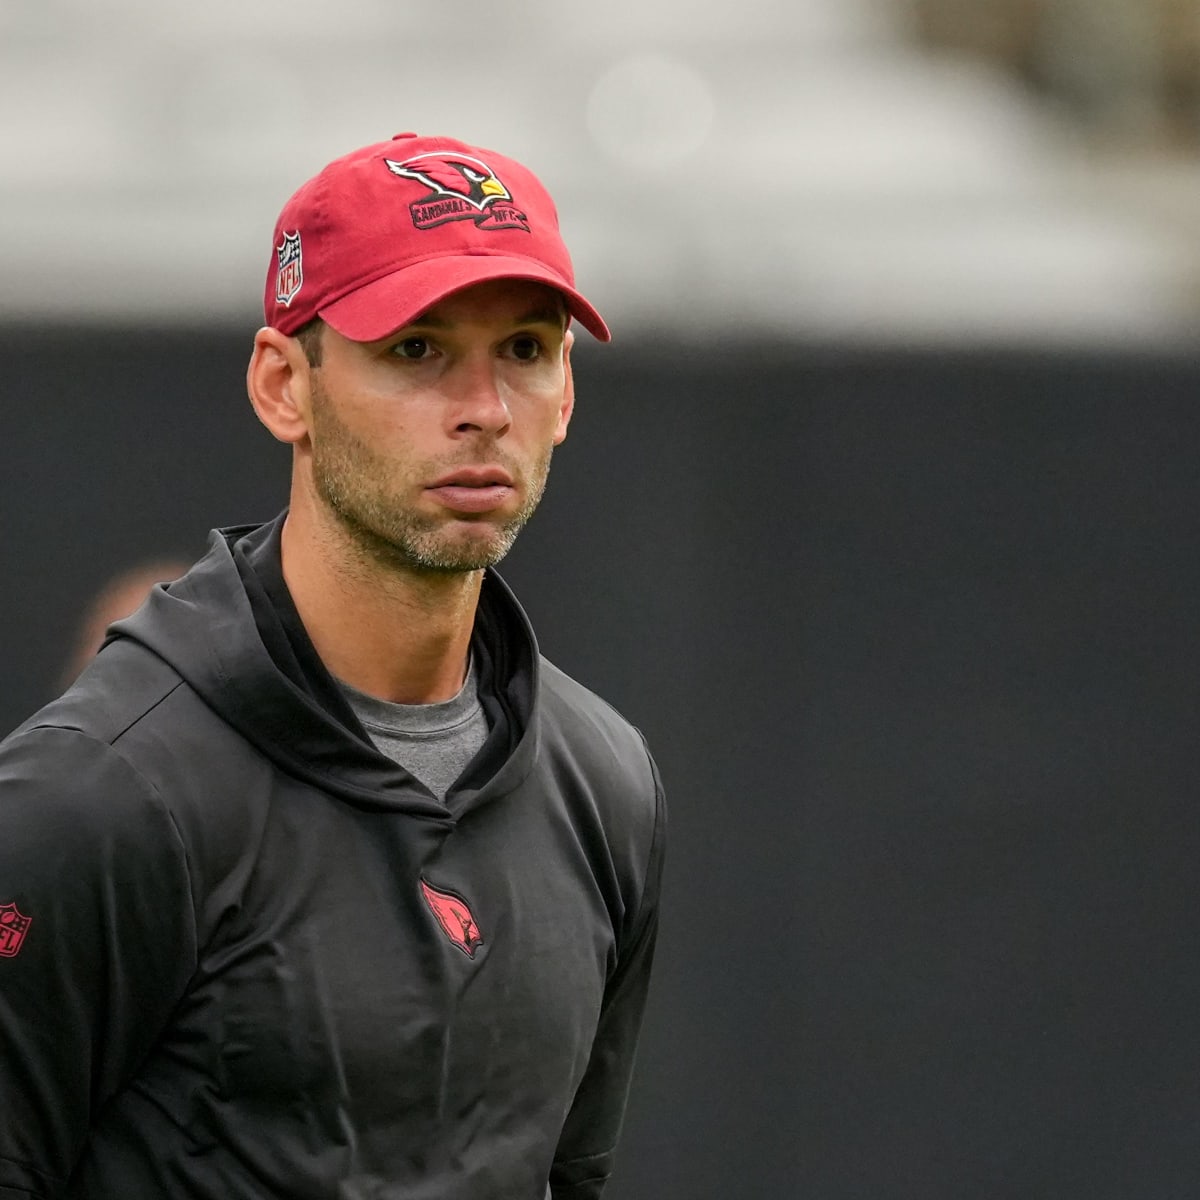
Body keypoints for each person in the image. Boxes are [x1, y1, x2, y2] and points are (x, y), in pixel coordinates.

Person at [0, 132, 666, 1200]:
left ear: (569, 395)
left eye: (528, 350)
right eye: (416, 350)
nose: (485, 408)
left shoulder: (606, 784)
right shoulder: (98, 794)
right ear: (283, 386)